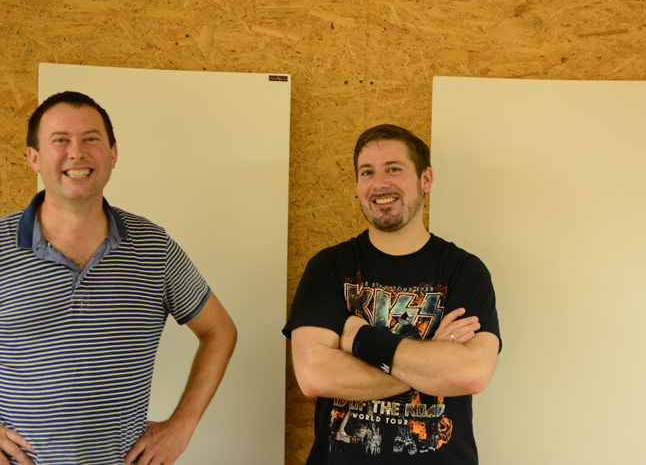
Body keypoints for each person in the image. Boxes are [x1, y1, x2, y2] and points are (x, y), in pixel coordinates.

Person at [0, 92, 237, 465]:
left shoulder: (153, 247)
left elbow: (219, 330)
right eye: (60, 140)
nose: (76, 153)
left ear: (112, 154)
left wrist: (183, 425)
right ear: (34, 157)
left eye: (90, 139)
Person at [283, 124, 501, 464]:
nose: (379, 184)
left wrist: (360, 340)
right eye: (367, 172)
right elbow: (314, 375)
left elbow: (470, 373)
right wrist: (431, 361)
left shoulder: (464, 271)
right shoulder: (329, 268)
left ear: (425, 179)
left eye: (394, 169)